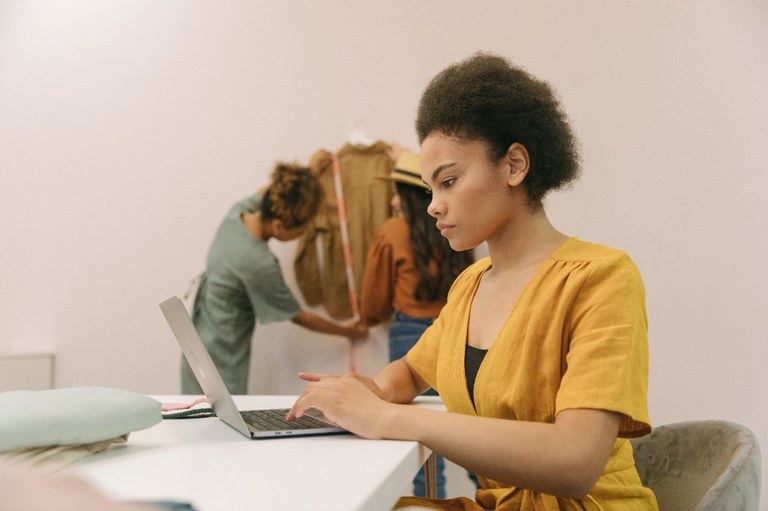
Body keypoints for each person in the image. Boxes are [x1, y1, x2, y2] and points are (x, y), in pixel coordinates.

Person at [287, 52, 658, 511]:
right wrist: (370, 393)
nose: (433, 207)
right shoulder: (470, 284)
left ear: (515, 165)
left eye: (448, 182)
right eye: (429, 190)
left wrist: (386, 418)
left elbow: (575, 462)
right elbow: (411, 370)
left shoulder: (601, 278)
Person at [181, 162, 367, 395]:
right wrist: (350, 331)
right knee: (218, 412)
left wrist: (307, 175)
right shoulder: (258, 262)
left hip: (197, 333)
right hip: (221, 351)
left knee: (194, 407)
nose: (303, 234)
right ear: (278, 226)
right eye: (302, 230)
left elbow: (271, 192)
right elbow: (298, 315)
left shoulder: (239, 211)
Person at [359, 148, 475, 498]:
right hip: (458, 332)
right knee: (470, 430)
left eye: (396, 192)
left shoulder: (392, 232)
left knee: (422, 443)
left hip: (409, 334)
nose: (393, 201)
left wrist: (369, 319)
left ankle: (430, 504)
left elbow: (373, 301)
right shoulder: (457, 230)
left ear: (408, 195)